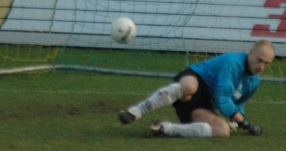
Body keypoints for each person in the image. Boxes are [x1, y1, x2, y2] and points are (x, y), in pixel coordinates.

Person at [118, 39, 275, 138]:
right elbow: (222, 98)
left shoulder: (254, 81)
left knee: (222, 131)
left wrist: (237, 119)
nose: (261, 66)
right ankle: (136, 112)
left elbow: (239, 102)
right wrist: (244, 123)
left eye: (267, 63)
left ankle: (164, 129)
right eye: (259, 60)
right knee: (188, 87)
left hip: (202, 105)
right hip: (197, 80)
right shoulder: (233, 63)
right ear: (251, 53)